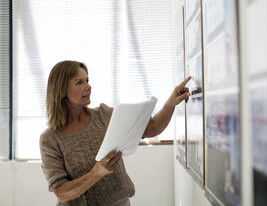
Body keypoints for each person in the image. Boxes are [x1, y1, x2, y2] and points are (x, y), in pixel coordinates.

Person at [40, 60, 191, 206]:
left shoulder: (105, 115)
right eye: (79, 82)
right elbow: (61, 191)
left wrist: (171, 103)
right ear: (61, 90)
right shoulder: (50, 139)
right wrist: (96, 173)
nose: (88, 86)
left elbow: (152, 127)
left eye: (87, 80)